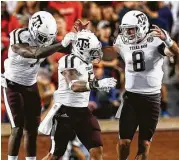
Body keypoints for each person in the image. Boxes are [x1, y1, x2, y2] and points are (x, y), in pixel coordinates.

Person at [74, 10, 179, 160]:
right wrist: (86, 38)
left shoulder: (155, 40)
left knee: (144, 146)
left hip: (151, 99)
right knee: (124, 142)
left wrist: (168, 40)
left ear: (142, 27)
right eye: (125, 29)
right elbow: (109, 53)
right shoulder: (123, 41)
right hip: (131, 97)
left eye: (131, 29)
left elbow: (176, 52)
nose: (128, 33)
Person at [17, 29, 117, 159]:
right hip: (65, 113)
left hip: (82, 111)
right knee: (56, 155)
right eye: (92, 51)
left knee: (97, 151)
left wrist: (82, 32)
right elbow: (74, 85)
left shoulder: (85, 61)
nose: (95, 55)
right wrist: (97, 84)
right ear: (82, 50)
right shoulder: (69, 60)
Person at [2, 11, 72, 160]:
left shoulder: (45, 38)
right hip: (12, 85)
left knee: (32, 129)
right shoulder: (19, 36)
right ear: (33, 29)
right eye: (42, 38)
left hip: (31, 85)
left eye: (48, 38)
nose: (44, 41)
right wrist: (61, 43)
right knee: (17, 128)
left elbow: (67, 48)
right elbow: (34, 53)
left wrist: (78, 38)